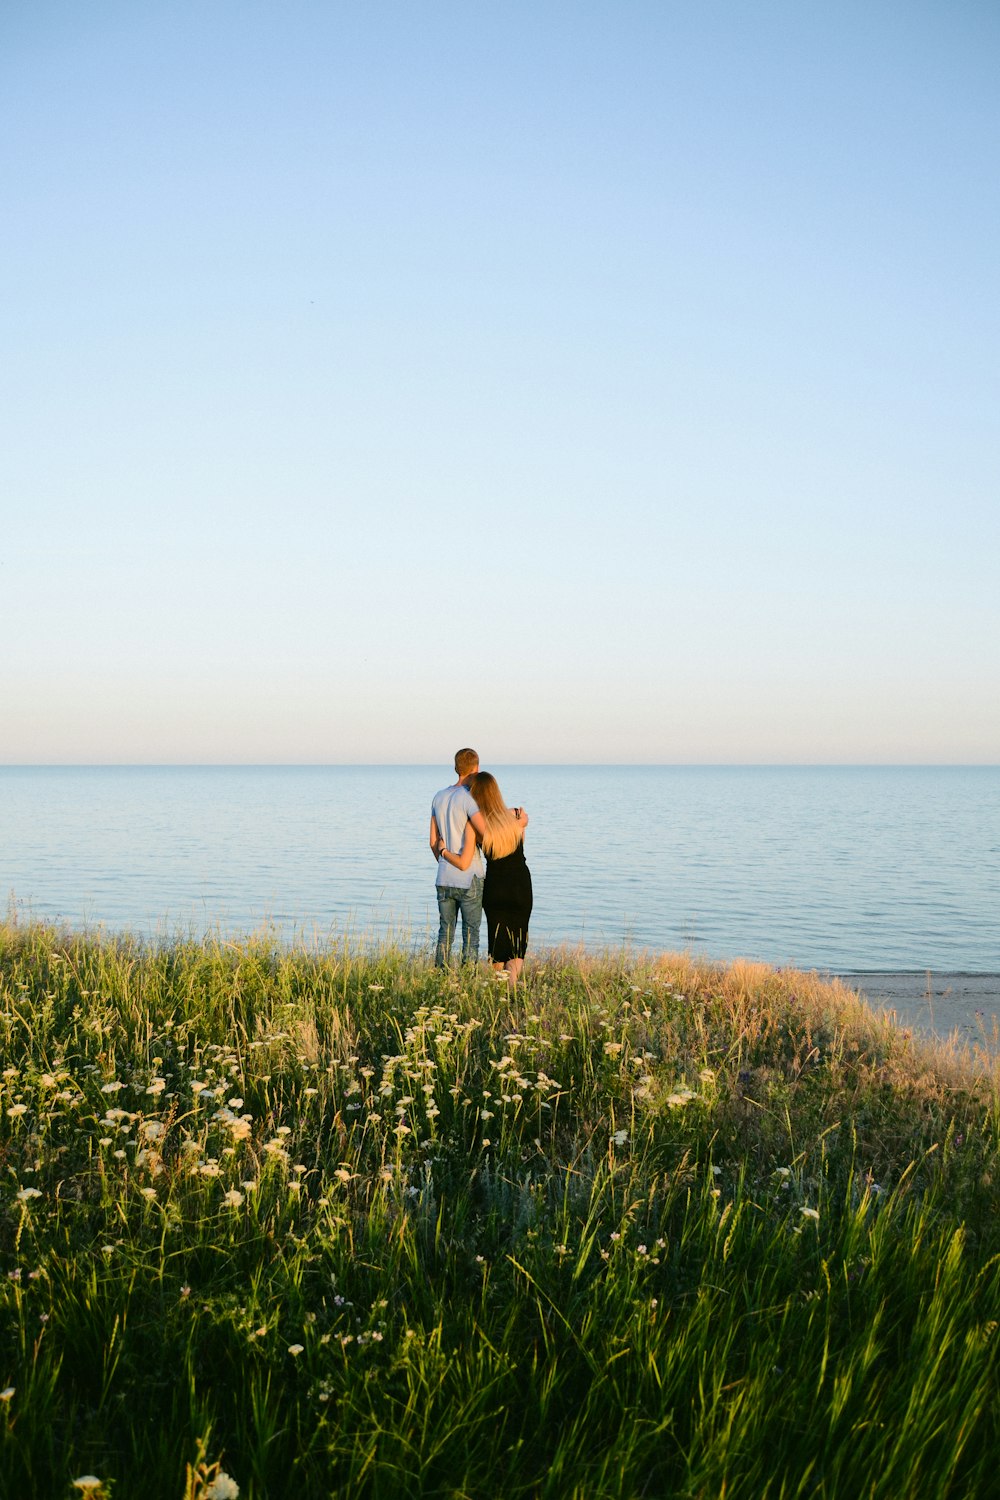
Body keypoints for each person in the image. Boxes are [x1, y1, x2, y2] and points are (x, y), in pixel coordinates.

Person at [438, 771, 531, 985]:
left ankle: (500, 993)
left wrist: (443, 851)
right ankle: (513, 988)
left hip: (495, 887)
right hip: (520, 884)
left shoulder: (475, 825)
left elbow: (464, 860)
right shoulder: (516, 815)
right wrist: (520, 824)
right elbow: (521, 843)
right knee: (517, 943)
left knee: (497, 943)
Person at [429, 749, 487, 967]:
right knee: (471, 936)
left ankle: (440, 980)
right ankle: (467, 983)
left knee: (445, 933)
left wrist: (445, 860)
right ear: (476, 769)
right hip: (469, 876)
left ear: (456, 768)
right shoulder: (470, 798)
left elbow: (433, 842)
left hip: (444, 877)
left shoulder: (439, 796)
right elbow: (486, 834)